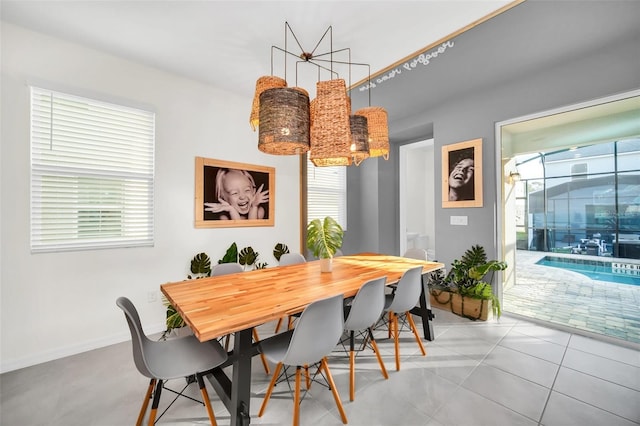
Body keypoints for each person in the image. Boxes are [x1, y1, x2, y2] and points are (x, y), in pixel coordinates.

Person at [204, 168, 269, 220]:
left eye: (247, 190)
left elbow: (251, 232)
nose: (242, 197)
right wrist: (232, 211)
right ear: (222, 198)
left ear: (254, 191)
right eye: (234, 193)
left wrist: (253, 207)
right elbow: (239, 234)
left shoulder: (259, 211)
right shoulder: (224, 217)